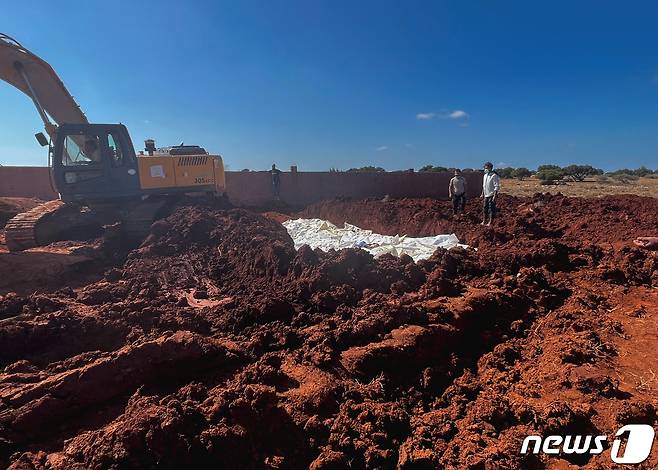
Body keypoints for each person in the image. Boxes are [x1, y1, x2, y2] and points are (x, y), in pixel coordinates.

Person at [480, 161, 500, 226]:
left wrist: (494, 196)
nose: (485, 169)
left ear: (491, 168)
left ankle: (490, 222)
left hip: (491, 195)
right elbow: (484, 186)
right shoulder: (485, 175)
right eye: (485, 168)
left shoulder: (494, 176)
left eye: (487, 168)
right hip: (486, 195)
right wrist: (482, 194)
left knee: (491, 209)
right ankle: (484, 221)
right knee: (485, 208)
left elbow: (496, 186)